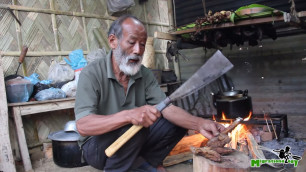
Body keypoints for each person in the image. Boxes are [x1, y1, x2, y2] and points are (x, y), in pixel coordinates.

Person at [74, 14, 225, 172]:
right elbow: (83, 125)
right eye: (131, 43)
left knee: (177, 123)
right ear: (113, 41)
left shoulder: (144, 74)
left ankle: (145, 162)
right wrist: (128, 115)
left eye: (142, 45)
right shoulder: (91, 74)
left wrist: (199, 123)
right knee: (134, 127)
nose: (138, 51)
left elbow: (168, 109)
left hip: (130, 142)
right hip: (97, 148)